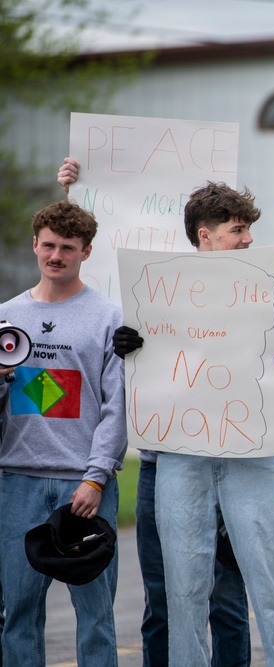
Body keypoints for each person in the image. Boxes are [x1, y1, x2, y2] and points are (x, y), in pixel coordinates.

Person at [57, 157, 255, 667]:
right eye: (239, 230)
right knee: (162, 599)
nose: (249, 240)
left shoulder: (272, 288)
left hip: (232, 464)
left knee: (228, 602)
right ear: (206, 235)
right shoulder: (155, 291)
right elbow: (80, 253)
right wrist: (127, 349)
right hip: (161, 462)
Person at [0, 200, 127, 666]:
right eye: (48, 245)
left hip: (84, 486)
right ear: (34, 244)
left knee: (96, 616)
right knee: (20, 613)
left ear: (86, 252)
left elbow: (118, 407)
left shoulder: (109, 318)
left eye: (67, 248)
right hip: (16, 480)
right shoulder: (5, 316)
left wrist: (96, 478)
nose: (56, 255)